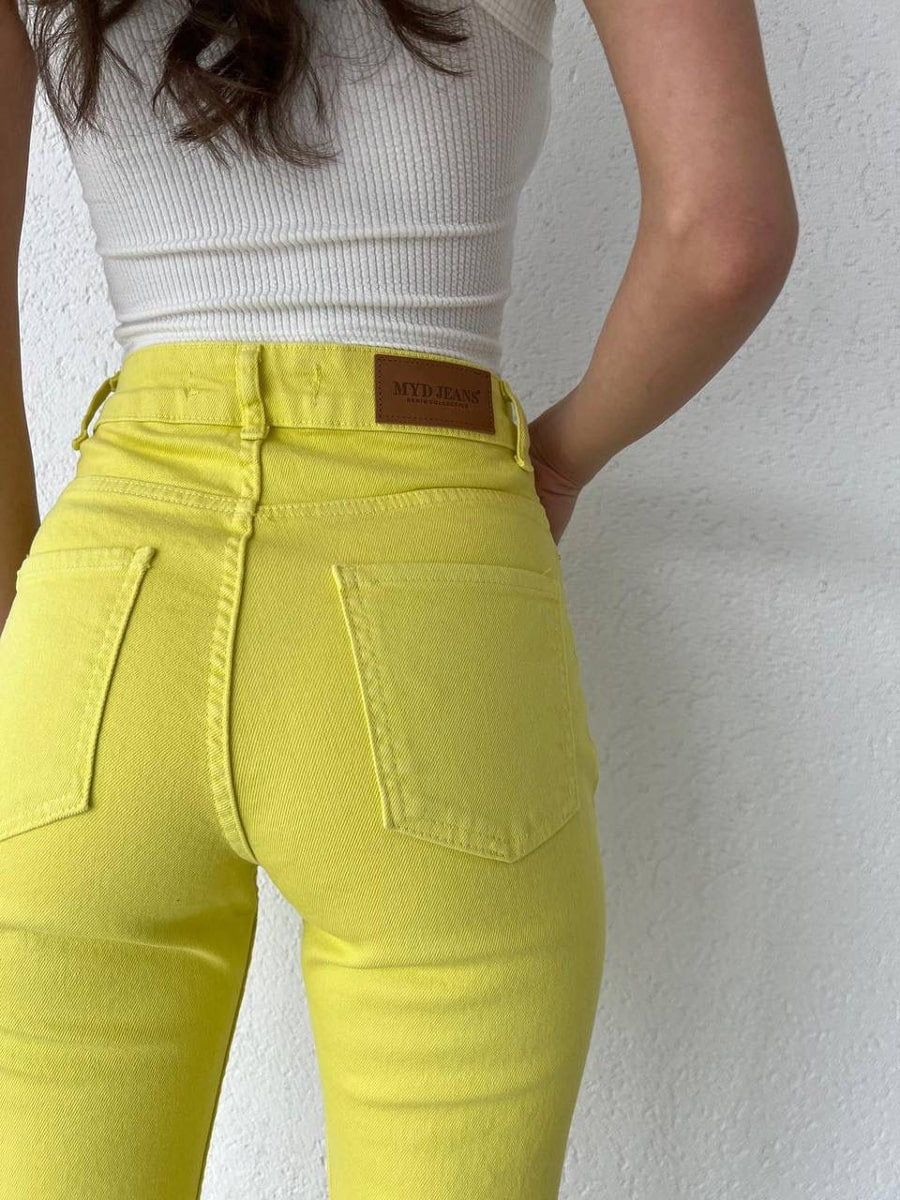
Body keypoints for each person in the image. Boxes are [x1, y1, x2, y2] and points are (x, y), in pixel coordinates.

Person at [0, 0, 797, 1194]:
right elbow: (724, 236)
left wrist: (30, 621)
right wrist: (560, 459)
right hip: (435, 583)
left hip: (101, 611)